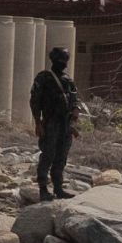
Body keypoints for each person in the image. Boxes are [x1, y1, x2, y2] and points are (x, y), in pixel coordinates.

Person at [29, 46, 81, 201]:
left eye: (65, 60)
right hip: (50, 122)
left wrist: (75, 111)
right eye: (61, 60)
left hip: (65, 123)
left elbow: (75, 100)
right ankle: (43, 188)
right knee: (48, 155)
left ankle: (58, 188)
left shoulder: (68, 80)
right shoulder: (43, 78)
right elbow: (35, 101)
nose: (63, 63)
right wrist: (38, 122)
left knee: (61, 157)